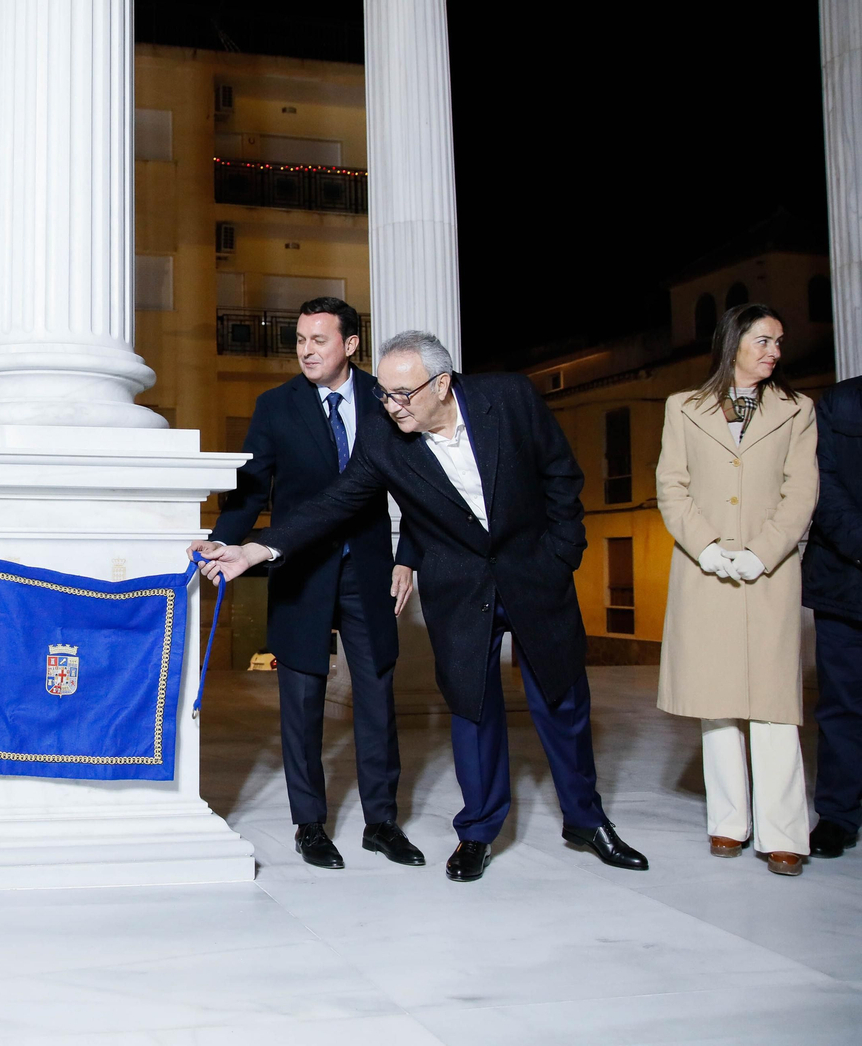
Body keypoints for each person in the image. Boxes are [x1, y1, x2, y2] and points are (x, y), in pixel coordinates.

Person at [192, 330, 649, 882]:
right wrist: (255, 549)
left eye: (402, 394)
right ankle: (478, 832)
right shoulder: (386, 441)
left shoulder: (508, 399)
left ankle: (586, 820)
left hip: (536, 577)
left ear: (442, 384)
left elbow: (560, 475)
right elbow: (332, 506)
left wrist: (561, 555)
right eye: (383, 393)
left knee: (563, 703)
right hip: (460, 592)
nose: (389, 405)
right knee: (473, 711)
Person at [209, 297, 422, 869]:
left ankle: (382, 822)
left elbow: (421, 485)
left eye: (318, 340)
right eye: (300, 339)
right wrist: (225, 541)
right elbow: (251, 490)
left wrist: (408, 556)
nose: (306, 350)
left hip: (369, 569)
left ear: (350, 345)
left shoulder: (387, 400)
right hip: (301, 569)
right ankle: (310, 825)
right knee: (300, 703)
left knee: (376, 698)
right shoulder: (275, 407)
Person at [657, 304, 817, 875]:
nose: (774, 351)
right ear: (734, 342)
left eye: (779, 342)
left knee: (775, 705)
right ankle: (728, 825)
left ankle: (784, 834)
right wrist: (709, 549)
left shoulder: (798, 410)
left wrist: (761, 553)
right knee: (716, 703)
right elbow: (671, 487)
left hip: (769, 574)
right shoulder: (683, 407)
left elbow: (802, 493)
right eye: (763, 340)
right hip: (703, 573)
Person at [805, 373, 862, 859]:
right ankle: (838, 815)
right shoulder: (840, 403)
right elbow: (822, 484)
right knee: (842, 706)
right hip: (846, 584)